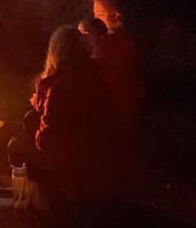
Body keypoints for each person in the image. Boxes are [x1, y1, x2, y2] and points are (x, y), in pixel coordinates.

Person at [9, 25, 125, 197]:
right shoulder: (98, 73)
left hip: (74, 166)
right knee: (31, 118)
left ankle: (45, 193)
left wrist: (39, 109)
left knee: (16, 145)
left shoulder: (61, 86)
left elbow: (46, 140)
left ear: (54, 52)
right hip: (106, 159)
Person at [91, 0, 142, 132]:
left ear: (115, 15)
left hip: (115, 112)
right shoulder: (112, 40)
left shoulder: (114, 42)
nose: (95, 20)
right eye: (94, 15)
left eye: (100, 15)